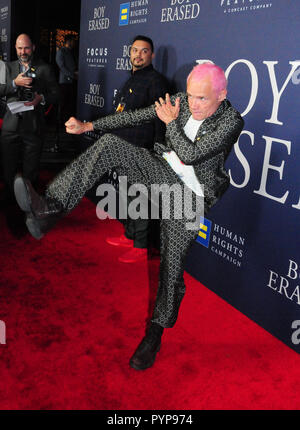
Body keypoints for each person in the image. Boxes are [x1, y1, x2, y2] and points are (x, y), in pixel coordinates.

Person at [13, 63, 244, 370]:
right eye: (190, 96)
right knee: (109, 145)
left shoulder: (231, 120)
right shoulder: (182, 102)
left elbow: (190, 155)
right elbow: (137, 115)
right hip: (162, 173)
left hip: (189, 199)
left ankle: (155, 334)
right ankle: (51, 209)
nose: (193, 104)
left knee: (171, 270)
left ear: (222, 95)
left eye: (202, 99)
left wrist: (172, 124)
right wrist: (88, 126)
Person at [105, 35, 169, 264]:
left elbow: (160, 119)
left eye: (144, 51)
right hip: (124, 146)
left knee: (140, 196)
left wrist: (157, 150)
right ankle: (130, 235)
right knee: (127, 194)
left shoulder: (155, 81)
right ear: (129, 53)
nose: (138, 55)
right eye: (135, 50)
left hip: (142, 148)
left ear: (151, 55)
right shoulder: (131, 79)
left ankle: (141, 247)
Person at [0, 34, 59, 205]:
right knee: (8, 168)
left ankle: (30, 204)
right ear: (15, 48)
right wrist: (14, 83)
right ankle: (11, 202)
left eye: (26, 48)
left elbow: (56, 94)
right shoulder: (7, 67)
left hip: (34, 126)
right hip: (10, 127)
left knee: (31, 170)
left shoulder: (45, 68)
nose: (22, 52)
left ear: (33, 47)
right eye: (19, 48)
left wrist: (41, 98)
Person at [55, 34, 78, 125]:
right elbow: (61, 67)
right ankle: (60, 122)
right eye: (73, 40)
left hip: (72, 81)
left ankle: (69, 121)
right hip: (64, 82)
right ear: (68, 41)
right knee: (63, 103)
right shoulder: (61, 51)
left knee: (70, 103)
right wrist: (73, 75)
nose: (74, 42)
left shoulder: (72, 52)